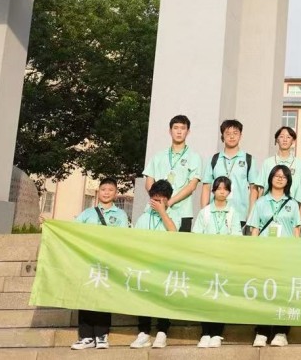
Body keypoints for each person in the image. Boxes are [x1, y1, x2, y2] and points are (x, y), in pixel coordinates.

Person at [71, 177, 128, 351]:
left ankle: (102, 335)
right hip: (87, 262)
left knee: (103, 297)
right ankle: (86, 336)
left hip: (107, 262)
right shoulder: (87, 213)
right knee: (86, 297)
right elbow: (72, 231)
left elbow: (123, 238)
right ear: (99, 191)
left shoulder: (120, 215)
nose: (106, 193)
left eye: (110, 190)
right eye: (103, 189)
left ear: (116, 193)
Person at [251, 165, 301, 348]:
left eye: (284, 176)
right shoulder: (260, 202)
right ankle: (262, 331)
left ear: (288, 181)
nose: (280, 179)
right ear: (270, 178)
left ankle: (281, 332)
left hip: (285, 255)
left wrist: (296, 254)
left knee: (283, 293)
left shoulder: (293, 204)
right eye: (276, 175)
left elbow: (297, 230)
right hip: (265, 254)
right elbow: (254, 228)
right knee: (264, 292)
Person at [192, 175, 244, 348]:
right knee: (206, 296)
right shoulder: (204, 212)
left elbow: (237, 235)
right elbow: (196, 236)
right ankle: (205, 332)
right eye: (219, 188)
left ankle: (217, 333)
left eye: (225, 189)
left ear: (229, 192)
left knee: (221, 296)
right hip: (207, 261)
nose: (222, 191)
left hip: (225, 261)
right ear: (213, 191)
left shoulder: (233, 213)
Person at [130, 179, 176, 349]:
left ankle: (162, 332)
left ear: (167, 200)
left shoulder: (174, 214)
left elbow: (174, 233)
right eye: (154, 199)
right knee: (144, 296)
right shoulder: (144, 216)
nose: (156, 203)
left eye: (160, 199)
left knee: (163, 297)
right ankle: (143, 332)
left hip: (165, 264)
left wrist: (163, 212)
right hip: (146, 264)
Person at [142, 114, 202, 232]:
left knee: (179, 247)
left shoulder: (194, 157)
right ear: (170, 131)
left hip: (183, 211)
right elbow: (149, 182)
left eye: (182, 128)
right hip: (155, 209)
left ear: (188, 131)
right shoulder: (158, 156)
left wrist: (169, 202)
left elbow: (192, 185)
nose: (179, 132)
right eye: (175, 128)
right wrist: (159, 201)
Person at [201, 119, 256, 228]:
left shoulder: (248, 159)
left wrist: (251, 215)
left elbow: (253, 189)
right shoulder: (214, 159)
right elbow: (206, 187)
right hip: (215, 214)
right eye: (228, 133)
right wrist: (204, 213)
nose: (232, 137)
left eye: (235, 133)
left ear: (241, 135)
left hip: (240, 215)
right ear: (222, 136)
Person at [254, 126, 301, 214]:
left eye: (288, 137)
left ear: (293, 141)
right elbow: (261, 189)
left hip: (290, 210)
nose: (285, 140)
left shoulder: (299, 164)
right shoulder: (268, 162)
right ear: (277, 140)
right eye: (281, 136)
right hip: (268, 209)